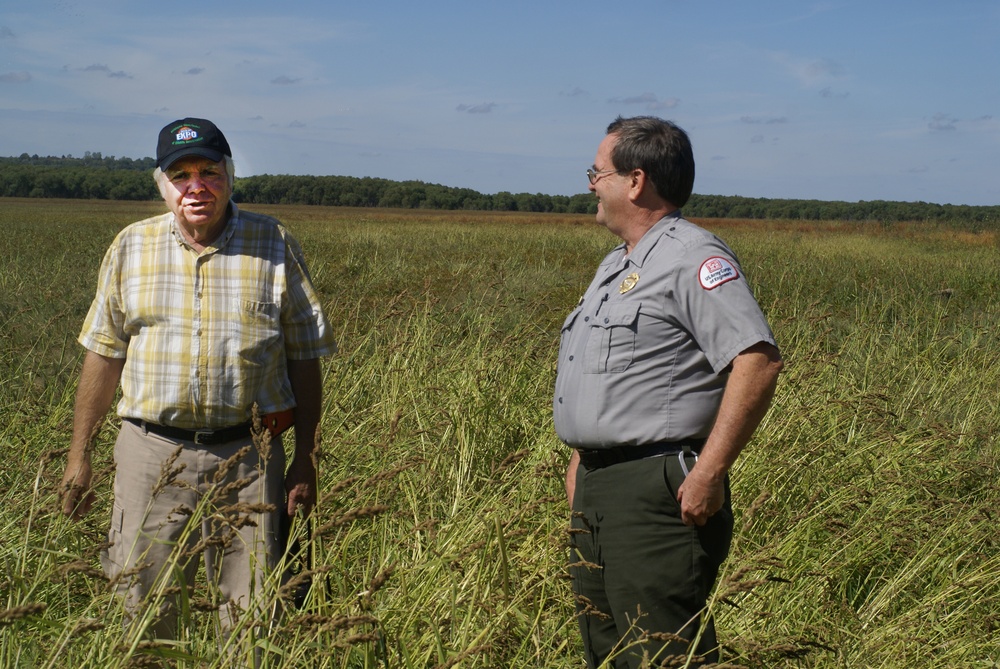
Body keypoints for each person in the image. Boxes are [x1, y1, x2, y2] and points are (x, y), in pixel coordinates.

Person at [59, 118, 337, 645]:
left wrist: (306, 457)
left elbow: (305, 356)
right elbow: (104, 354)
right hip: (149, 456)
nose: (196, 186)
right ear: (162, 185)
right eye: (180, 174)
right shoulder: (130, 247)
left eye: (208, 171)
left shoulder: (273, 242)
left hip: (254, 458)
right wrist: (80, 457)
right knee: (143, 613)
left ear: (229, 176)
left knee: (253, 619)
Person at [555, 116, 783, 668]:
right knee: (607, 653)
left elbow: (757, 361)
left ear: (636, 181)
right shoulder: (617, 266)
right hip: (599, 489)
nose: (590, 184)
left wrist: (708, 472)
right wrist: (585, 462)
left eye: (597, 172)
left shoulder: (693, 258)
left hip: (656, 494)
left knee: (663, 654)